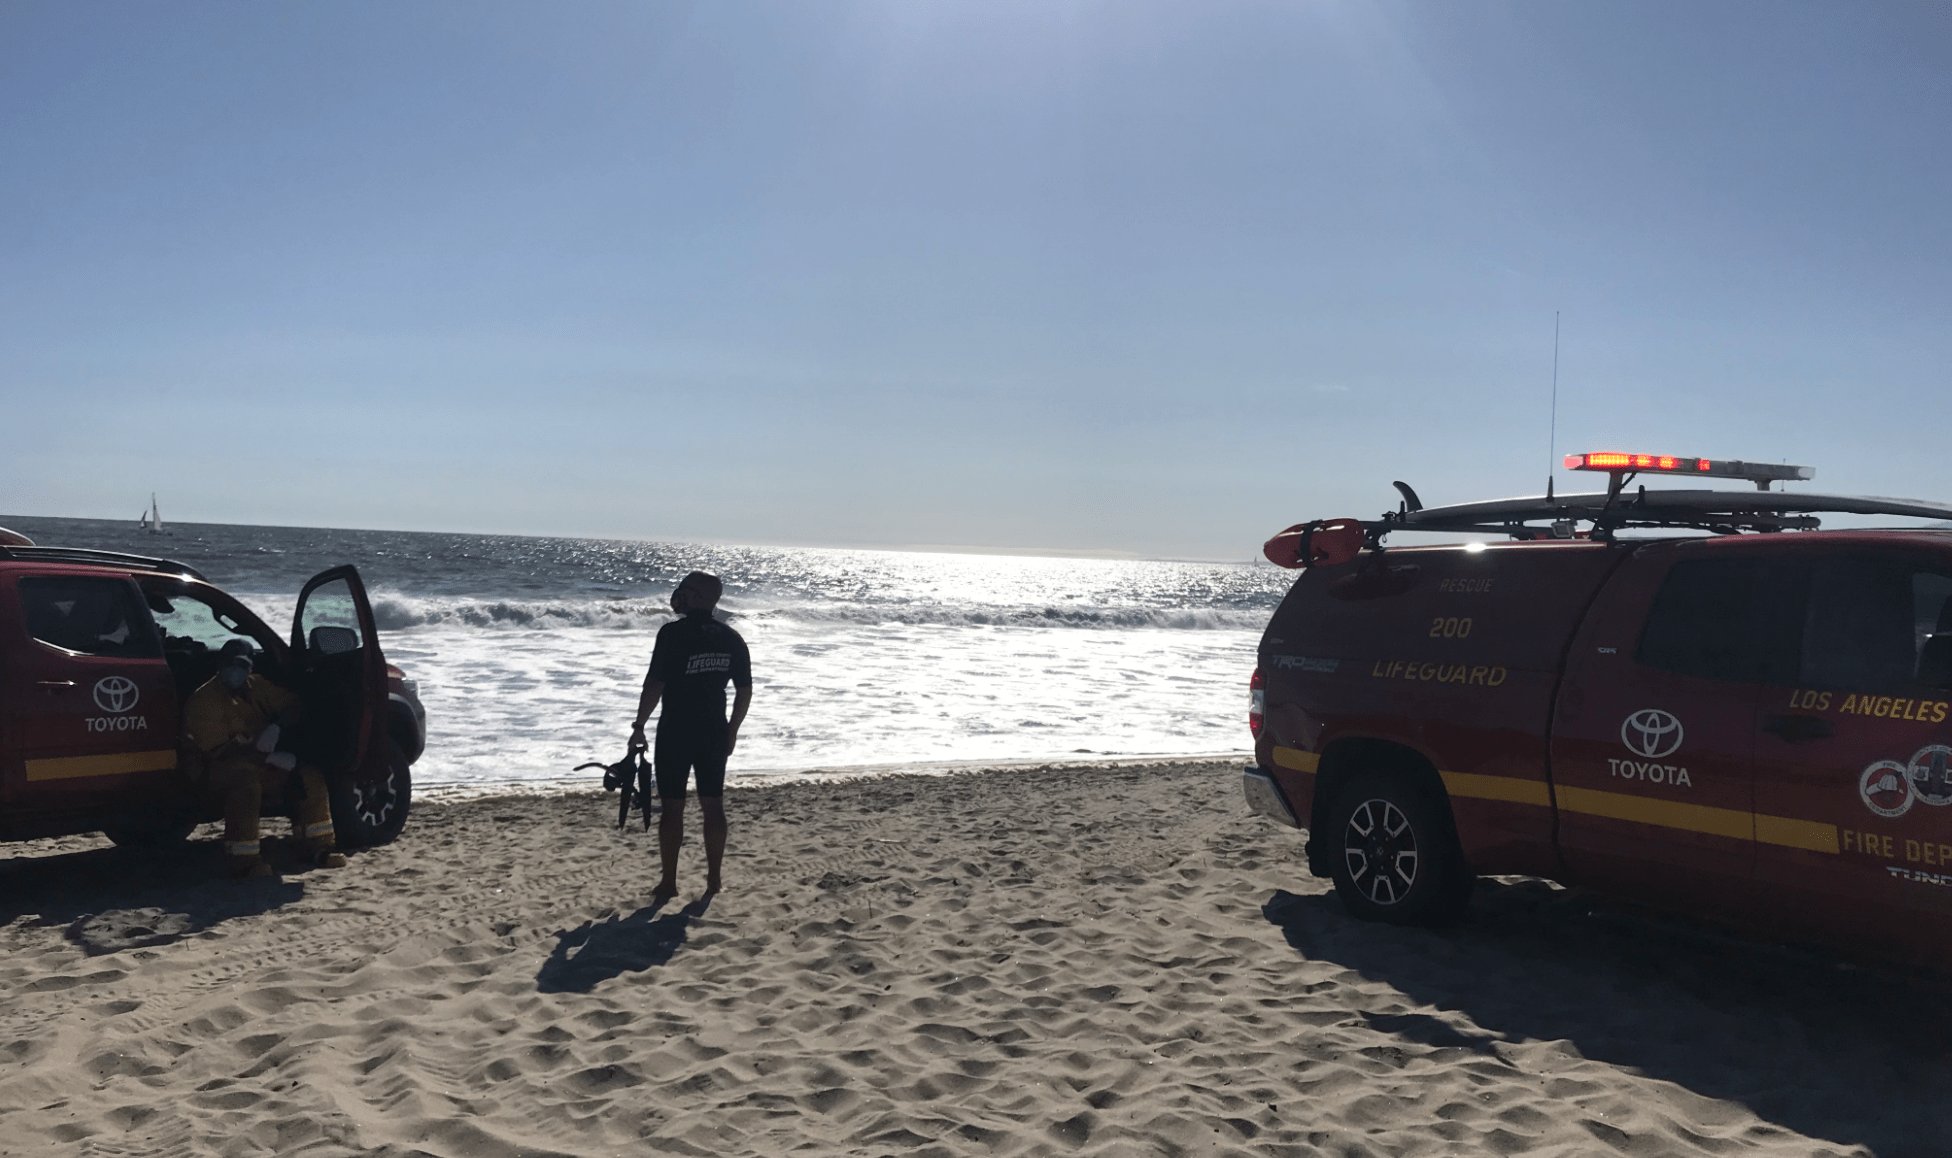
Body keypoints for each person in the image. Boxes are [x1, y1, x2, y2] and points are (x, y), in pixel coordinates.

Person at [629, 571, 752, 900]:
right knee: (713, 805)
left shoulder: (672, 634)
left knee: (673, 808)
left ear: (699, 597)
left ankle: (669, 883)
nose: (679, 594)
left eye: (686, 589)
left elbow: (654, 684)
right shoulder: (731, 637)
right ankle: (714, 881)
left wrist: (638, 727)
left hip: (676, 730)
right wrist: (732, 731)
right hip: (713, 730)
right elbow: (745, 690)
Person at [182, 640, 347, 878]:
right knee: (245, 783)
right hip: (210, 770)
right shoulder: (204, 701)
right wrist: (268, 756)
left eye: (241, 666)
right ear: (220, 667)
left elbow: (293, 705)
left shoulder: (257, 686)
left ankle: (318, 848)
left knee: (308, 776)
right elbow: (219, 751)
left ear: (250, 668)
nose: (235, 671)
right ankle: (244, 862)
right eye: (229, 665)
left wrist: (277, 727)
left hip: (257, 760)